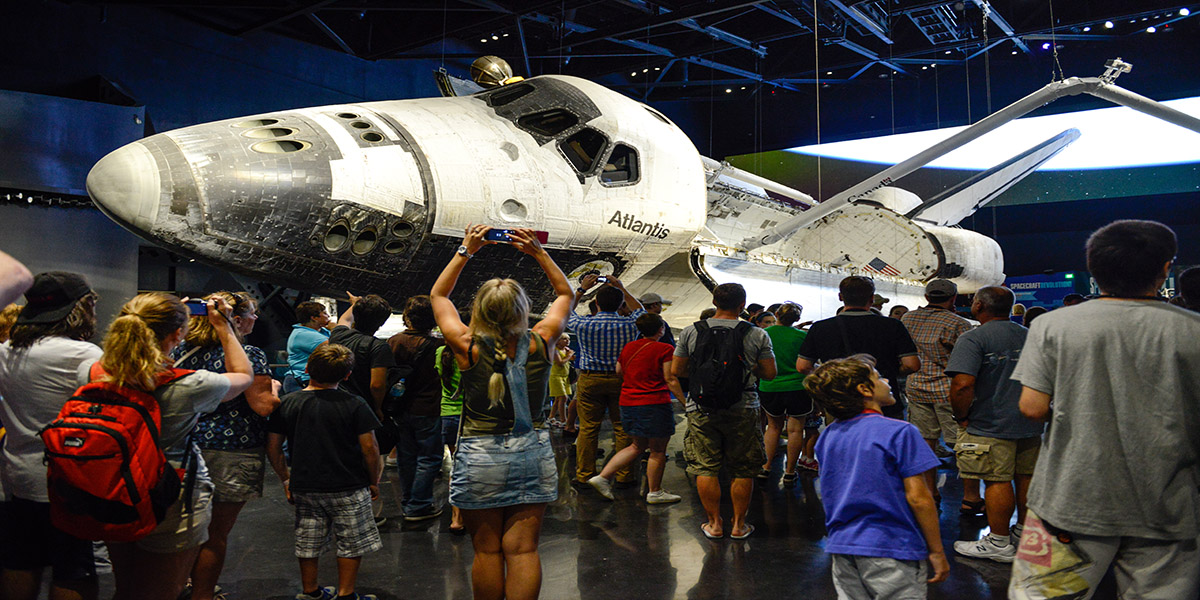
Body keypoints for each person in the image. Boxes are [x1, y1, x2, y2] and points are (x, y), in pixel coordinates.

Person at [1009, 220, 1200, 600]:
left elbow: (1031, 408)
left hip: (1072, 498)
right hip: (1169, 503)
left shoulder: (1052, 326)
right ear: (1165, 268)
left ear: (1093, 267)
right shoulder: (1193, 329)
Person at [431, 226, 573, 600]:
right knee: (524, 550)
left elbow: (439, 294)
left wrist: (467, 249)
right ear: (523, 309)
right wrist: (539, 252)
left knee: (487, 551)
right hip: (533, 450)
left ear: (478, 309)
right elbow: (565, 293)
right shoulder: (544, 339)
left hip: (480, 456)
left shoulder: (465, 345)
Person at [81, 292, 254, 600]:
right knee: (162, 591)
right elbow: (243, 375)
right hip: (170, 495)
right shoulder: (190, 386)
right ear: (178, 334)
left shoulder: (94, 373)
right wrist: (225, 325)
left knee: (126, 588)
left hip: (113, 489)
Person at [804, 356, 948, 597]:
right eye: (878, 377)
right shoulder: (901, 432)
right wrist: (936, 550)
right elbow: (919, 497)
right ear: (864, 389)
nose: (887, 380)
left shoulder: (829, 435)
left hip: (843, 546)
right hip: (892, 545)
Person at [172, 291, 281, 600]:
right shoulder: (250, 356)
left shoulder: (180, 349)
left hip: (185, 446)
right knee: (215, 536)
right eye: (250, 314)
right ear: (234, 319)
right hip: (232, 449)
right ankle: (204, 594)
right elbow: (263, 406)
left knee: (185, 529)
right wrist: (274, 387)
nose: (255, 319)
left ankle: (178, 585)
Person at [0, 272, 101, 600]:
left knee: (21, 562)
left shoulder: (5, 351)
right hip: (68, 480)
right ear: (78, 310)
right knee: (73, 570)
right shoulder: (82, 355)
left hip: (16, 478)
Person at [266, 343, 382, 600]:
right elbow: (370, 448)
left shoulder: (287, 403)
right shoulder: (355, 403)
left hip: (305, 485)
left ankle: (310, 592)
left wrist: (286, 479)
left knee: (308, 539)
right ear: (347, 375)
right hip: (349, 485)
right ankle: (346, 594)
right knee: (351, 541)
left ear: (307, 368)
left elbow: (273, 447)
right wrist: (373, 481)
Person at [672, 283, 775, 540]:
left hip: (701, 407)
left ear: (715, 301)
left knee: (706, 466)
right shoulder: (757, 334)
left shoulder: (690, 332)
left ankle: (714, 524)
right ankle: (739, 525)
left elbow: (678, 370)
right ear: (743, 305)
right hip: (743, 406)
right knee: (743, 468)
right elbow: (770, 374)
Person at [946, 286, 1041, 563]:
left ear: (977, 306)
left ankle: (998, 542)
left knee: (996, 479)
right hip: (1030, 421)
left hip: (990, 422)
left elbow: (962, 385)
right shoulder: (1031, 336)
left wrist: (961, 416)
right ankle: (1023, 534)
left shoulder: (973, 338)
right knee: (1026, 477)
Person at [588, 313, 685, 504]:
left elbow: (619, 371)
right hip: (654, 403)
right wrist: (684, 401)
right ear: (661, 329)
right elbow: (670, 378)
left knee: (636, 446)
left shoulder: (628, 347)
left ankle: (603, 477)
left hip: (628, 402)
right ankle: (655, 492)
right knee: (657, 450)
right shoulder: (664, 348)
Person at [796, 276, 920, 421]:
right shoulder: (893, 326)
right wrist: (890, 372)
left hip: (840, 402)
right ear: (872, 298)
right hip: (882, 403)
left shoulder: (821, 328)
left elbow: (803, 366)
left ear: (840, 297)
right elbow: (912, 364)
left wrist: (833, 375)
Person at [900, 279, 975, 513]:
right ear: (953, 298)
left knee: (925, 442)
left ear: (927, 297)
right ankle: (971, 496)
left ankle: (930, 492)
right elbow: (966, 361)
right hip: (947, 390)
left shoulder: (907, 319)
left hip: (916, 386)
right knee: (962, 444)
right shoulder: (958, 324)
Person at [568, 274, 644, 487]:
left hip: (590, 379)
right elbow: (641, 311)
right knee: (622, 427)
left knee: (588, 428)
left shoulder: (584, 324)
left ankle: (584, 475)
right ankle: (623, 475)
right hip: (621, 380)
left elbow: (565, 314)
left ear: (597, 303)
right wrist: (621, 287)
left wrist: (582, 290)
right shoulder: (630, 325)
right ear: (620, 304)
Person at [386, 295, 445, 522]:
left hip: (400, 408)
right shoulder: (438, 346)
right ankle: (418, 505)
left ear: (407, 317)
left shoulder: (393, 341)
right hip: (429, 407)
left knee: (406, 457)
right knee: (429, 458)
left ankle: (409, 501)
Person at [758, 302, 814, 485]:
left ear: (776, 315)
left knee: (772, 427)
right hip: (798, 387)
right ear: (797, 319)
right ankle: (790, 472)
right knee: (796, 430)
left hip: (770, 387)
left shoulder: (764, 334)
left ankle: (765, 468)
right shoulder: (802, 336)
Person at [434, 319, 467, 534]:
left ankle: (456, 516)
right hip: (470, 417)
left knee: (456, 466)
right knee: (466, 467)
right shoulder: (473, 352)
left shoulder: (440, 353)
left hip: (447, 415)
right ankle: (461, 515)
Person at [284, 301, 332, 394]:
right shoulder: (303, 334)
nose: (328, 316)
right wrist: (336, 328)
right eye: (325, 313)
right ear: (314, 318)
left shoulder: (322, 331)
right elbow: (337, 348)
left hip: (313, 379)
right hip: (301, 381)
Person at [547, 334, 574, 427]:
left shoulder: (566, 350)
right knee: (563, 397)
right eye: (564, 339)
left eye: (568, 339)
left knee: (558, 398)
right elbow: (560, 363)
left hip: (565, 376)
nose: (567, 341)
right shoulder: (555, 350)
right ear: (558, 340)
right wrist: (569, 355)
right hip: (556, 376)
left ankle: (551, 417)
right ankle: (564, 420)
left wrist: (569, 354)